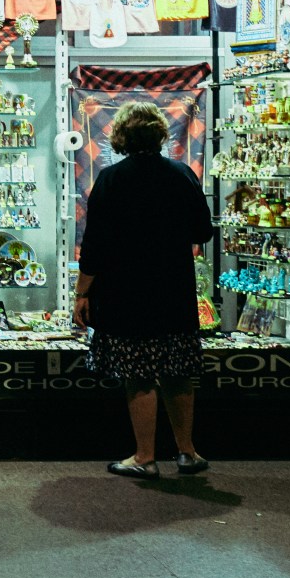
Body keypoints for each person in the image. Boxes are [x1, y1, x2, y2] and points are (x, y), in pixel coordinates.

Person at [73, 101, 216, 478]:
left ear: (121, 136)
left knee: (138, 374)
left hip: (127, 292)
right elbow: (204, 231)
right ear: (158, 134)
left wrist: (81, 293)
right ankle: (187, 452)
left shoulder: (111, 179)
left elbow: (95, 246)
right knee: (178, 371)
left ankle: (145, 457)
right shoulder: (182, 174)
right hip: (173, 288)